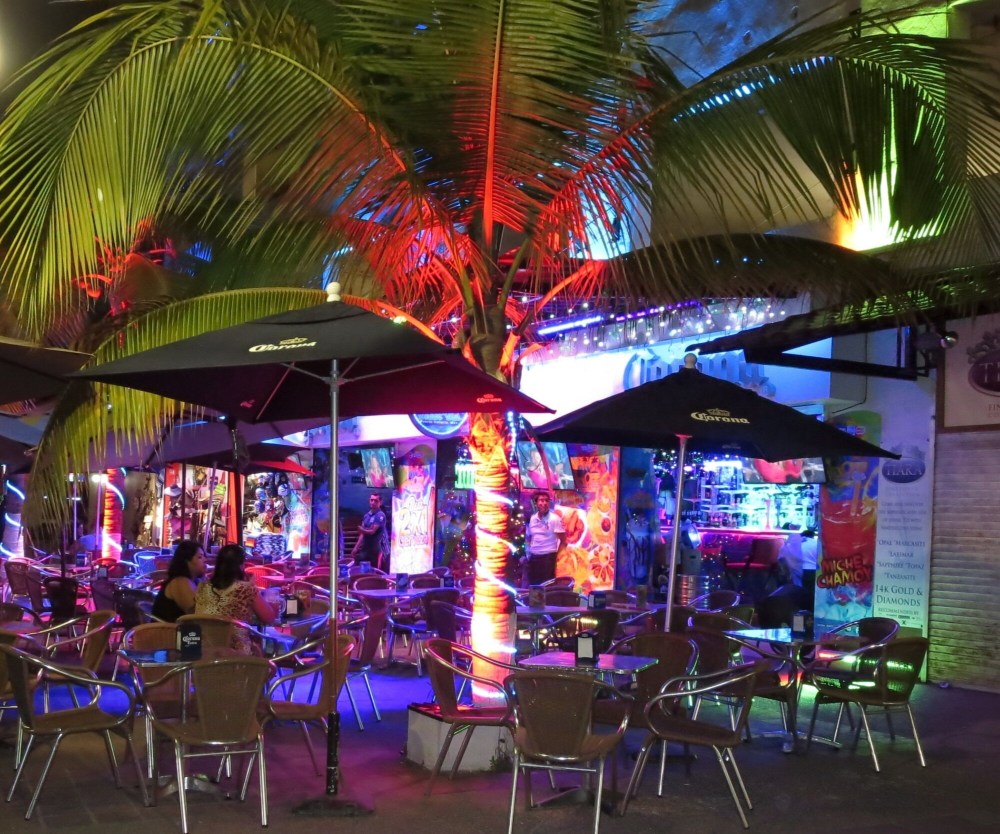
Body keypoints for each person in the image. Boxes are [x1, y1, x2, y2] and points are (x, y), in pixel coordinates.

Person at [194, 543, 275, 653]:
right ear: (241, 566)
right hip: (235, 656)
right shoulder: (245, 589)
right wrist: (252, 586)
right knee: (269, 644)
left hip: (204, 654)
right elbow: (269, 618)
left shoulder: (202, 587)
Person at [151, 540, 206, 622]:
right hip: (167, 629)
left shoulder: (193, 581)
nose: (205, 560)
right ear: (186, 561)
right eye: (200, 557)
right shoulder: (180, 582)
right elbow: (197, 614)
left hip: (180, 628)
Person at [523, 492, 566, 586]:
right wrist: (528, 553)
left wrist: (557, 557)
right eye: (541, 500)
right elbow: (529, 537)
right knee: (534, 586)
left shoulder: (554, 519)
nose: (544, 503)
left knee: (547, 586)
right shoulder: (533, 518)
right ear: (536, 503)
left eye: (547, 500)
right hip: (534, 557)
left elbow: (563, 541)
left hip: (548, 557)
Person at [778, 525, 819, 604]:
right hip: (814, 570)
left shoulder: (795, 544)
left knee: (800, 591)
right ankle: (810, 608)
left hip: (799, 570)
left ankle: (801, 607)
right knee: (812, 593)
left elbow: (783, 556)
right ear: (813, 536)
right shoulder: (816, 543)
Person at [351, 494, 388, 569]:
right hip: (365, 548)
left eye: (376, 501)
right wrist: (356, 548)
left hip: (376, 549)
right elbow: (362, 534)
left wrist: (362, 530)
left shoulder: (380, 515)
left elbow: (372, 531)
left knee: (375, 571)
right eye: (371, 500)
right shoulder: (366, 516)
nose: (373, 502)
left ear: (380, 502)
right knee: (359, 568)